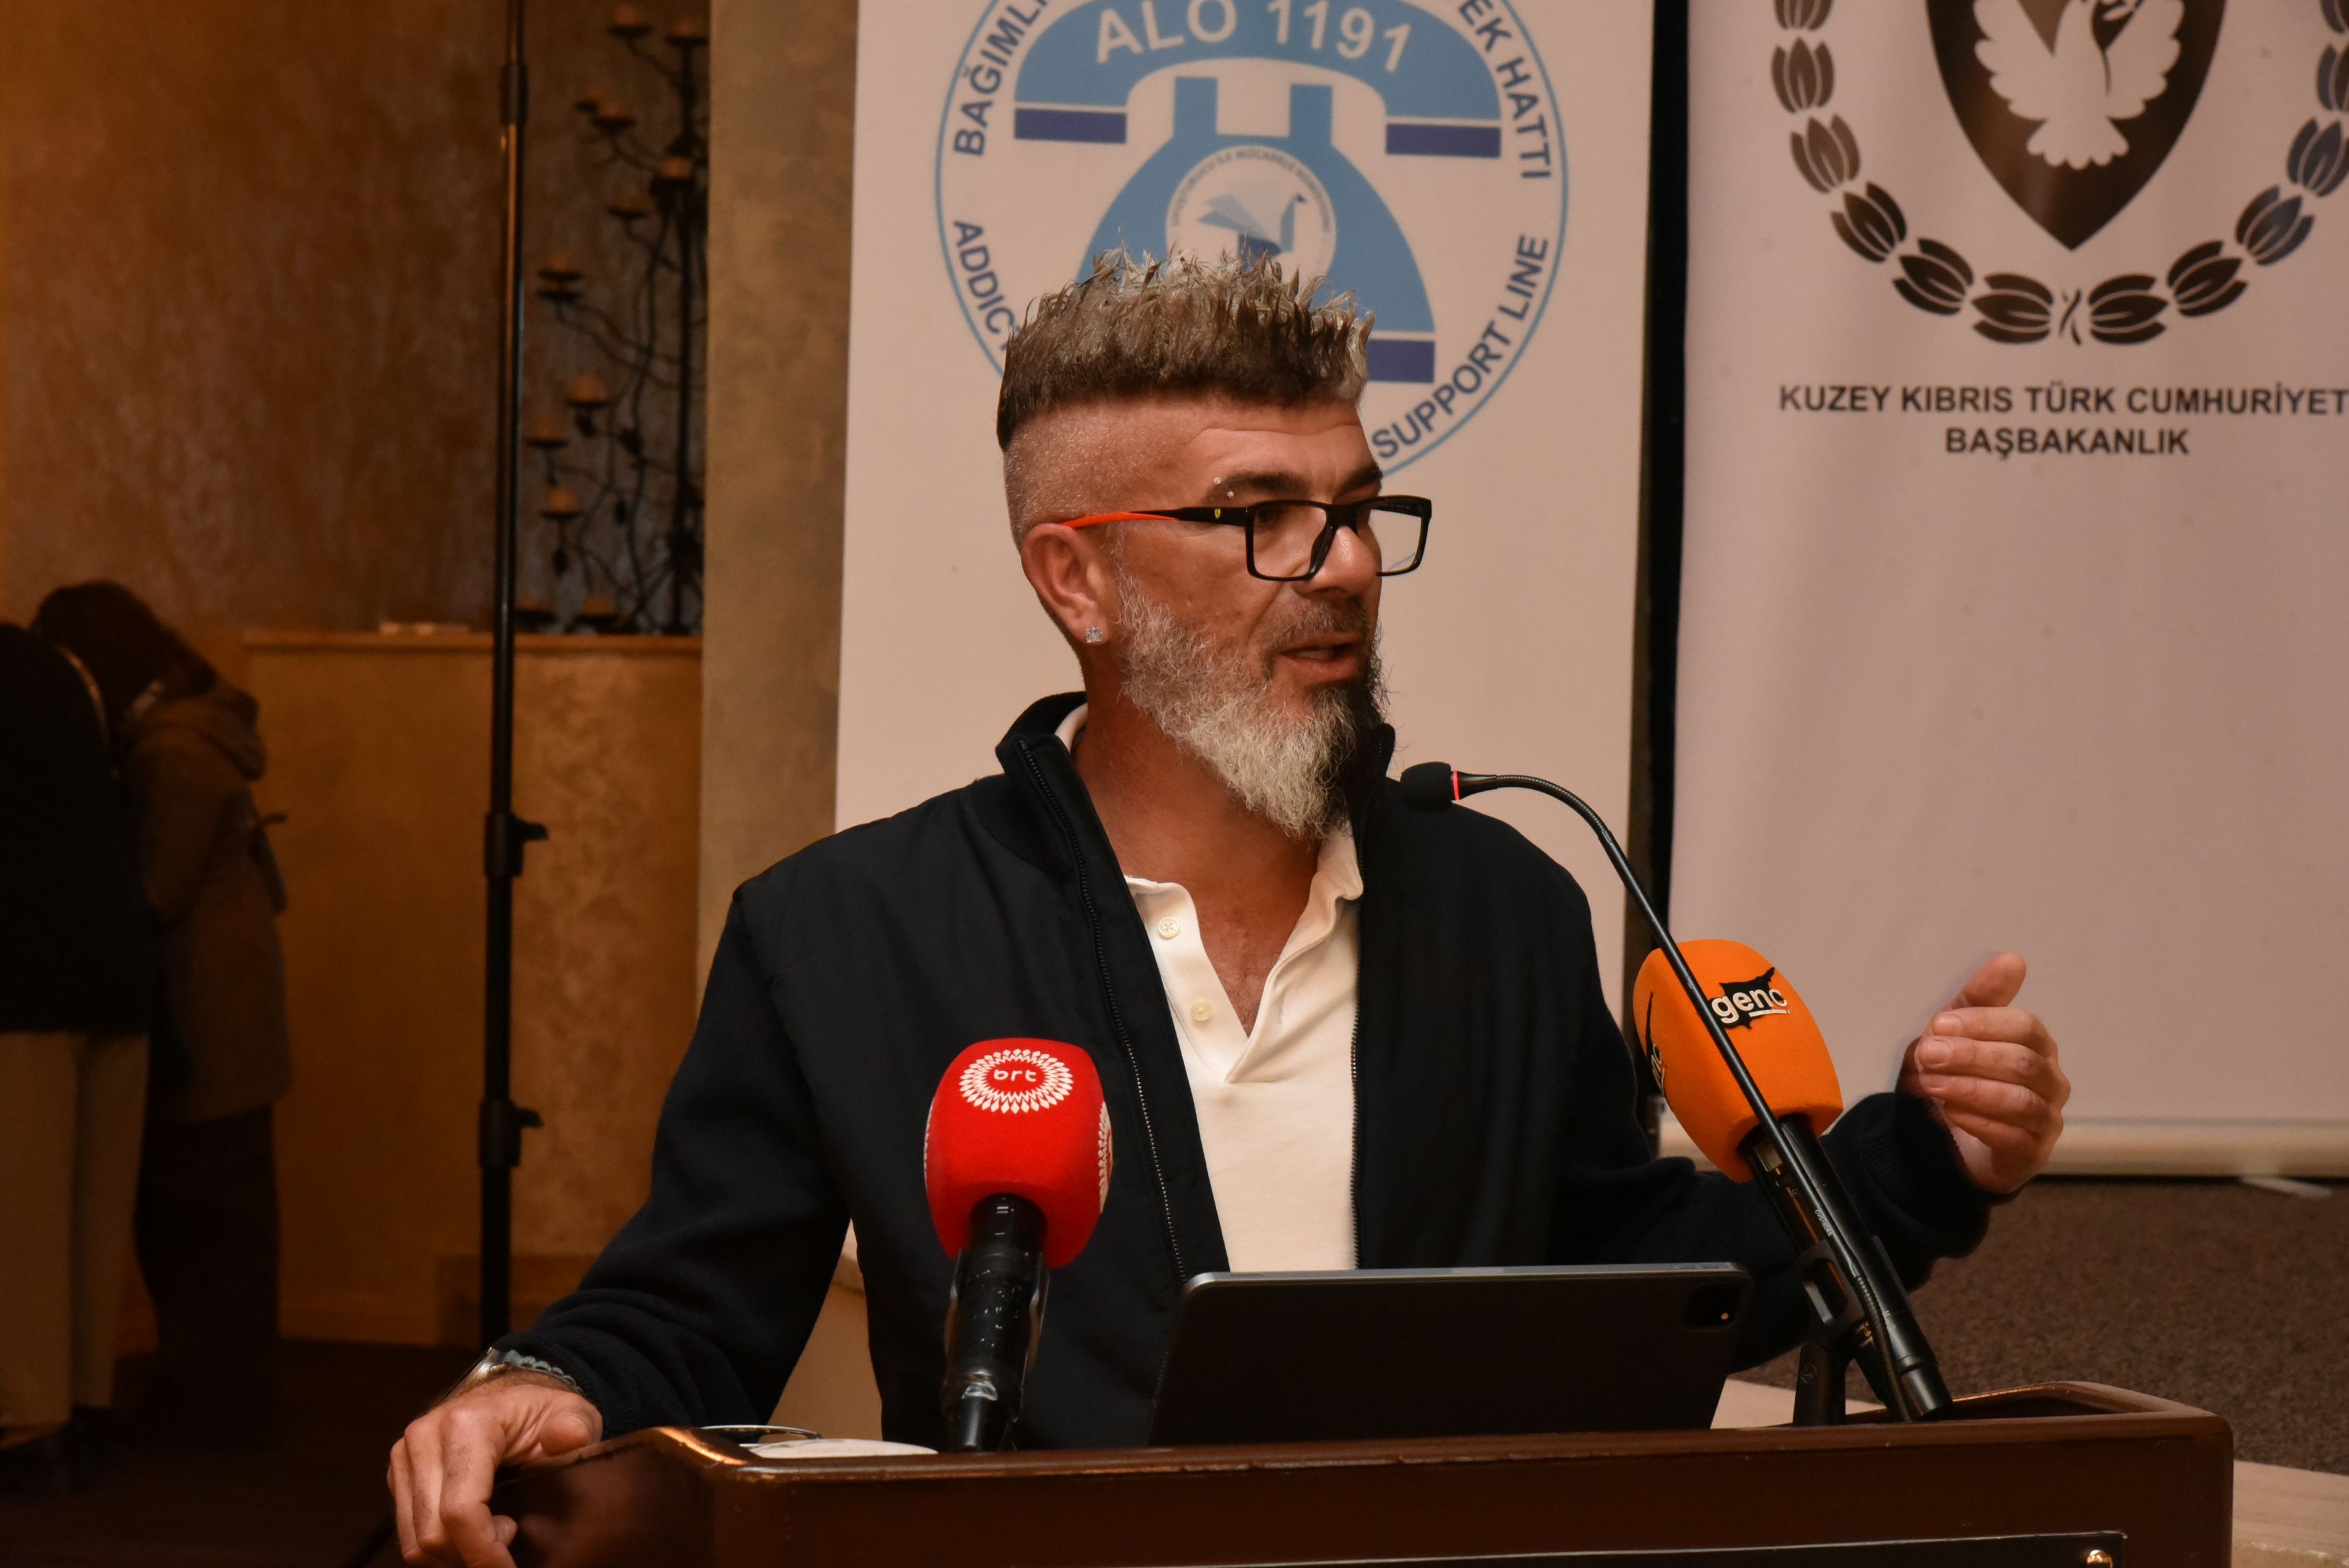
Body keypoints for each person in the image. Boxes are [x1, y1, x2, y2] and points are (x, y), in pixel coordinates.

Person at [390, 254, 2070, 1567]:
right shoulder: (845, 930)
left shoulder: (1503, 900)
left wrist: (1916, 1158)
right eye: (1258, 516)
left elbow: (1633, 1274)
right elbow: (691, 1307)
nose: (1340, 563)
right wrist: (541, 1383)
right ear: (1076, 577)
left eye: (1355, 508)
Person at [33, 582, 293, 1447]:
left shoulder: (169, 751)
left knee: (195, 1215)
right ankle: (227, 1392)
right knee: (228, 1211)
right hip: (236, 1001)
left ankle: (210, 1401)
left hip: (200, 1007)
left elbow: (158, 889)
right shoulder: (205, 727)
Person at [0, 621, 158, 1493]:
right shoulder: (57, 669)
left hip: (23, 975)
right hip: (116, 966)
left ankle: (28, 1425)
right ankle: (82, 1403)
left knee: (23, 1218)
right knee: (92, 1214)